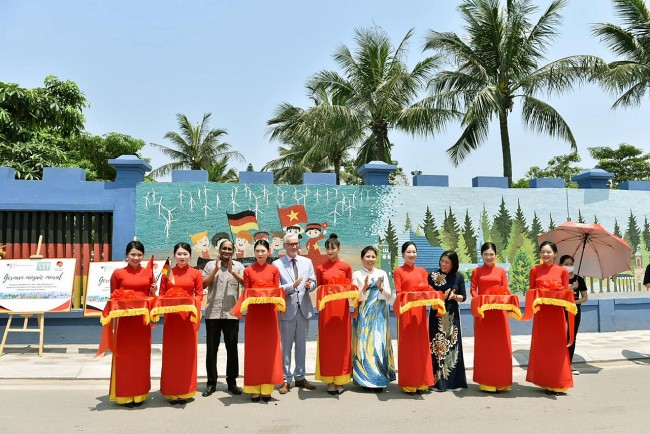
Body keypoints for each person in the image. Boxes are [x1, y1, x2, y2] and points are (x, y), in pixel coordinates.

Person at [108, 240, 156, 407]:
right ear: (126, 255)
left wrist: (153, 292)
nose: (136, 257)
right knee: (125, 357)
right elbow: (113, 297)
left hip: (142, 322)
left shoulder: (149, 273)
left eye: (139, 254)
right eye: (133, 254)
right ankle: (125, 394)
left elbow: (152, 297)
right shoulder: (117, 273)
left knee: (142, 357)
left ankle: (140, 393)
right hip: (124, 322)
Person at [159, 242, 204, 404]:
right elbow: (161, 295)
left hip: (188, 320)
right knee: (172, 356)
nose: (182, 257)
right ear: (174, 255)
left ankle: (186, 390)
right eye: (179, 254)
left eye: (185, 254)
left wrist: (190, 303)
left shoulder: (196, 273)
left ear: (190, 256)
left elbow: (199, 295)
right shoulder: (167, 273)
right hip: (172, 320)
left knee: (187, 355)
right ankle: (172, 391)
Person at [273, 233, 317, 394]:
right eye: (291, 244)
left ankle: (300, 377)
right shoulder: (277, 264)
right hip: (287, 311)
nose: (294, 246)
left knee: (301, 346)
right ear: (284, 245)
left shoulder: (307, 262)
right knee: (286, 347)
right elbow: (277, 287)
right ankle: (285, 379)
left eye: (296, 244)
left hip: (304, 309)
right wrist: (292, 285)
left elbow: (314, 281)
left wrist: (308, 286)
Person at [527, 241, 573, 395]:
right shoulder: (534, 269)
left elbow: (565, 294)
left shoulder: (562, 272)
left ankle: (559, 382)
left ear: (555, 254)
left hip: (557, 315)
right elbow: (531, 291)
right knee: (543, 347)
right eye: (542, 252)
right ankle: (545, 381)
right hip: (541, 314)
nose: (545, 255)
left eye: (548, 252)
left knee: (558, 348)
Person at [241, 239, 284, 402]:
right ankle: (254, 388)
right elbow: (246, 292)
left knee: (269, 351)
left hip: (270, 314)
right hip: (254, 315)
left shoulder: (274, 270)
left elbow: (276, 291)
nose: (260, 254)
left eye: (263, 251)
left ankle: (267, 388)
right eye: (257, 251)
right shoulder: (248, 270)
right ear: (254, 252)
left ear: (269, 252)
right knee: (254, 351)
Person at [201, 238, 244, 397]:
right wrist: (215, 270)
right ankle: (211, 383)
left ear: (233, 251)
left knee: (232, 349)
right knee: (211, 350)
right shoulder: (210, 265)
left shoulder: (239, 267)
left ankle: (232, 383)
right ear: (219, 250)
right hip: (213, 313)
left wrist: (233, 272)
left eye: (229, 249)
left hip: (231, 314)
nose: (226, 251)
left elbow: (247, 283)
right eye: (224, 249)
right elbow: (203, 285)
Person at [351, 246, 396, 391]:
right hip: (364, 315)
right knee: (364, 346)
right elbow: (354, 298)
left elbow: (389, 297)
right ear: (362, 258)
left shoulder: (381, 273)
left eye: (373, 257)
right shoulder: (356, 274)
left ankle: (378, 379)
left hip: (379, 315)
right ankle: (364, 379)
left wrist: (382, 288)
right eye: (368, 257)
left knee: (378, 344)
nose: (371, 260)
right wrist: (363, 288)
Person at [393, 241, 434, 395]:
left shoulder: (423, 272)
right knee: (408, 347)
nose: (412, 255)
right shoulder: (399, 271)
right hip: (406, 312)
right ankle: (409, 382)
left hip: (421, 313)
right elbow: (398, 293)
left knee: (421, 346)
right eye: (409, 252)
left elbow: (426, 290)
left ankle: (422, 381)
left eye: (414, 252)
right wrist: (411, 296)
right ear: (403, 254)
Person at [315, 234, 354, 395]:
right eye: (328, 248)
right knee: (328, 345)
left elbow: (351, 289)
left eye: (333, 248)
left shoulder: (346, 267)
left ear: (338, 249)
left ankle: (341, 379)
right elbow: (319, 289)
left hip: (342, 312)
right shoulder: (320, 268)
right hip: (326, 312)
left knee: (342, 344)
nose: (330, 251)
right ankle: (329, 380)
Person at [470, 242, 512, 392]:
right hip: (483, 313)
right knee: (485, 347)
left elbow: (506, 289)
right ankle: (486, 381)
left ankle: (502, 381)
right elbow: (473, 290)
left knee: (501, 347)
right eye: (486, 254)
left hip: (499, 313)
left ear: (496, 255)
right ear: (481, 255)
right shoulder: (476, 271)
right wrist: (481, 300)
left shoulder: (501, 271)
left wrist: (499, 299)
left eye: (491, 254)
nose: (489, 257)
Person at [429, 250, 468, 391]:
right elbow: (427, 295)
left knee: (452, 346)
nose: (443, 264)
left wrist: (453, 297)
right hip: (436, 315)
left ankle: (453, 382)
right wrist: (440, 297)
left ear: (453, 264)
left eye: (447, 262)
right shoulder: (432, 276)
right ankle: (437, 382)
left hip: (452, 315)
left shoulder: (458, 276)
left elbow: (464, 297)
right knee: (436, 347)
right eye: (442, 260)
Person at [559, 254, 588, 375]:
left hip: (574, 311)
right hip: (560, 311)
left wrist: (573, 302)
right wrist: (569, 287)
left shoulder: (579, 279)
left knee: (571, 337)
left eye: (571, 264)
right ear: (561, 265)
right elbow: (557, 293)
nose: (569, 266)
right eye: (566, 264)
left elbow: (585, 298)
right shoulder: (559, 279)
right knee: (560, 337)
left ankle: (569, 364)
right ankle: (559, 363)